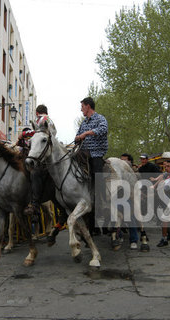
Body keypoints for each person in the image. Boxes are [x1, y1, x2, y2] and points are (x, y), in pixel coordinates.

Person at [75, 97, 108, 235]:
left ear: (88, 106)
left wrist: (86, 133)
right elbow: (78, 136)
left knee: (97, 180)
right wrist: (78, 137)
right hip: (83, 154)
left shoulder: (100, 119)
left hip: (95, 154)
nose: (81, 109)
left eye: (82, 106)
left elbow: (103, 130)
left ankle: (103, 205)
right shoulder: (84, 122)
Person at [21, 104, 57, 220]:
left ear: (37, 113)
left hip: (43, 154)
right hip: (45, 151)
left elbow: (37, 135)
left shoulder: (43, 120)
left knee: (34, 172)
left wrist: (23, 135)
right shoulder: (49, 120)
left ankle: (35, 205)